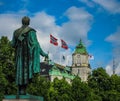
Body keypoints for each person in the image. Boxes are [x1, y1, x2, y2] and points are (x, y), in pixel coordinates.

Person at [11, 16, 48, 95]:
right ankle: (23, 91)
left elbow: (12, 44)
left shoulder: (16, 32)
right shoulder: (31, 31)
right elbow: (35, 44)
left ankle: (21, 90)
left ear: (22, 22)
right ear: (29, 22)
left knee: (19, 71)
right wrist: (43, 53)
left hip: (18, 56)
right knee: (25, 71)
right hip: (27, 56)